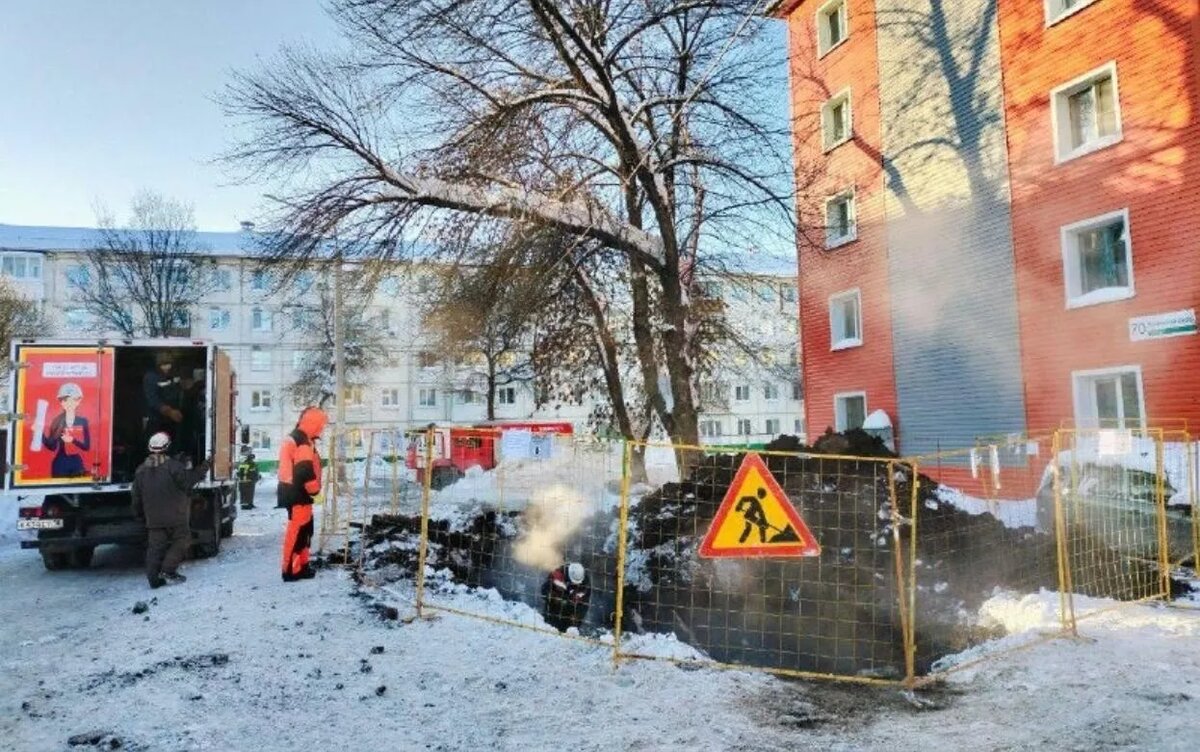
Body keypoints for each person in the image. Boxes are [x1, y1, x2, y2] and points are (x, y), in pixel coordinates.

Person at [131, 432, 209, 589]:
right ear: (167, 447)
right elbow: (188, 482)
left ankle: (153, 580)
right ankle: (168, 570)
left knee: (155, 548)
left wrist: (139, 515)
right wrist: (203, 468)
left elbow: (136, 497)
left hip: (153, 518)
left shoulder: (140, 470)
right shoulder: (174, 466)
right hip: (176, 516)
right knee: (183, 540)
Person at [277, 406, 327, 582]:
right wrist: (315, 492)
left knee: (304, 531)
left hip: (296, 494)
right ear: (314, 424)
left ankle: (301, 566)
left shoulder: (299, 438)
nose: (322, 429)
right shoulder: (302, 442)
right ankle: (291, 570)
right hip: (298, 494)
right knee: (298, 533)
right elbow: (304, 471)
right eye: (321, 425)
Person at [42, 382, 91, 478]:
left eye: (72, 400)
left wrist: (72, 440)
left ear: (78, 401)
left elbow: (86, 446)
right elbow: (52, 446)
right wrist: (40, 433)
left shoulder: (82, 421)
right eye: (64, 400)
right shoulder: (57, 421)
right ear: (61, 402)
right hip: (60, 464)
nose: (68, 404)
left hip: (76, 463)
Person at [143, 351, 183, 445]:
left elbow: (179, 392)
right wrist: (169, 412)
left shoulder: (174, 376)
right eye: (163, 364)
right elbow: (152, 399)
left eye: (169, 364)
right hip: (156, 420)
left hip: (173, 420)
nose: (167, 367)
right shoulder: (151, 377)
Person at [540, 561, 591, 632]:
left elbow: (585, 602)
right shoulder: (557, 575)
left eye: (577, 582)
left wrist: (578, 615)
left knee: (570, 632)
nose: (575, 584)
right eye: (573, 581)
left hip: (572, 611)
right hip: (554, 608)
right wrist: (552, 597)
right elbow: (544, 590)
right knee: (550, 629)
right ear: (569, 576)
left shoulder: (585, 583)